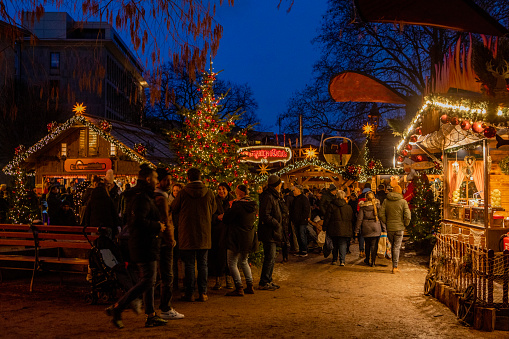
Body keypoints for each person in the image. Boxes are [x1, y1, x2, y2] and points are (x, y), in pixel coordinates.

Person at [105, 164, 167, 329]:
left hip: (145, 243)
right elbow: (137, 221)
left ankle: (151, 315)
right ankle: (118, 307)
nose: (156, 181)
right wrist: (157, 226)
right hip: (144, 244)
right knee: (148, 281)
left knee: (149, 280)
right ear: (148, 179)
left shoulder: (142, 196)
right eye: (154, 178)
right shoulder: (141, 198)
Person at [171, 168, 216, 302]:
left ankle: (189, 293)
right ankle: (203, 292)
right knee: (203, 264)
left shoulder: (183, 193)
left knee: (189, 264)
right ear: (200, 176)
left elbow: (174, 208)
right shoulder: (208, 193)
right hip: (204, 233)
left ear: (188, 177)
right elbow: (213, 209)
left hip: (187, 233)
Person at [153, 168, 184, 320]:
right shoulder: (162, 198)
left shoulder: (154, 196)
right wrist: (171, 240)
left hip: (156, 240)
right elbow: (166, 220)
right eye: (167, 180)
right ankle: (165, 307)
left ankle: (152, 308)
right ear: (159, 181)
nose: (170, 183)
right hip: (164, 242)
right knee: (167, 276)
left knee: (155, 276)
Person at [223, 184, 258, 296]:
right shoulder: (252, 205)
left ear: (241, 193)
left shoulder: (237, 205)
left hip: (236, 237)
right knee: (244, 261)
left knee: (232, 262)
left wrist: (230, 207)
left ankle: (239, 287)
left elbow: (227, 218)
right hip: (248, 236)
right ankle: (250, 285)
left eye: (236, 191)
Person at [258, 174, 284, 290]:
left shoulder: (274, 196)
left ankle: (268, 279)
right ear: (277, 185)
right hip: (269, 232)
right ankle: (264, 281)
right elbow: (265, 215)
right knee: (269, 257)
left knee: (272, 257)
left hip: (272, 231)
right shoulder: (268, 196)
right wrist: (276, 223)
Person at [379, 185, 411, 274]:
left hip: (390, 228)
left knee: (393, 246)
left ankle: (394, 264)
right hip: (400, 227)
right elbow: (408, 216)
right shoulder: (403, 202)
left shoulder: (386, 201)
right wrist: (405, 224)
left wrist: (386, 222)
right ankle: (395, 266)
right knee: (396, 247)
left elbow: (381, 214)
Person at [210, 182, 234, 290]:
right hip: (218, 232)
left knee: (229, 256)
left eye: (223, 189)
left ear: (228, 190)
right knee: (217, 256)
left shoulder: (233, 201)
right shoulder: (214, 200)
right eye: (219, 189)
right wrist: (217, 217)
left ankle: (229, 278)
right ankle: (218, 279)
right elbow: (210, 214)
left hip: (229, 232)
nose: (221, 191)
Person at [354, 191, 386, 267]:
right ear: (374, 197)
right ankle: (373, 262)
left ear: (366, 198)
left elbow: (359, 219)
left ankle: (367, 259)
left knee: (367, 244)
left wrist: (356, 230)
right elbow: (381, 218)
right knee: (374, 245)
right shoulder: (378, 206)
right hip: (376, 226)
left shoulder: (363, 207)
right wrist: (384, 229)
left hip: (366, 227)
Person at [323, 190, 353, 266]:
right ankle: (342, 260)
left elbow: (327, 218)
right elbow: (351, 218)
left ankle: (334, 259)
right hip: (345, 229)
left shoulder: (331, 206)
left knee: (335, 244)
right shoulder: (348, 207)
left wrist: (325, 227)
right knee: (342, 244)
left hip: (333, 228)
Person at [290, 185, 311, 257]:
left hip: (302, 221)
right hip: (296, 221)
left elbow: (306, 210)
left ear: (299, 190)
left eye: (294, 190)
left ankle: (304, 250)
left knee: (302, 235)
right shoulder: (295, 199)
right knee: (298, 235)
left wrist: (303, 218)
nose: (293, 191)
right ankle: (301, 250)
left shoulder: (304, 198)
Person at [169, 183, 183, 290]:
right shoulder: (169, 202)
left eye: (177, 190)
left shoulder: (184, 203)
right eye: (174, 190)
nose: (175, 192)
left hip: (182, 232)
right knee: (173, 259)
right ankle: (174, 283)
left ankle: (182, 280)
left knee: (181, 259)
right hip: (173, 232)